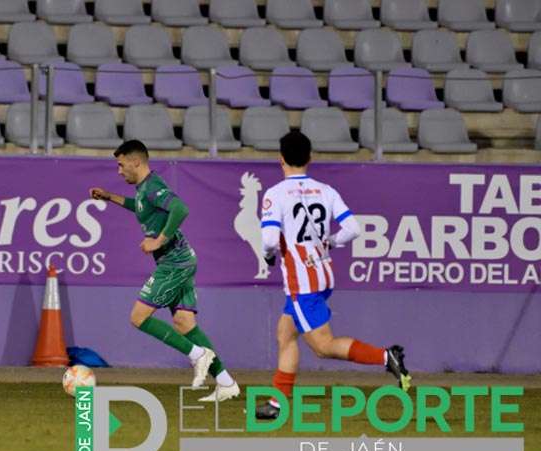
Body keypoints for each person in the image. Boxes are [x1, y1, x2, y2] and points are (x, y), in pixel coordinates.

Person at [255, 131, 410, 420]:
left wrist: (268, 255)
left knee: (323, 346)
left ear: (281, 160)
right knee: (285, 334)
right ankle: (278, 404)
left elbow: (268, 239)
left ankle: (386, 356)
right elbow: (353, 228)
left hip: (302, 282)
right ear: (309, 158)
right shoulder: (325, 190)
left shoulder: (275, 194)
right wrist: (332, 242)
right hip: (323, 274)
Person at [89, 140, 239, 402]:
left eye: (121, 165)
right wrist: (110, 197)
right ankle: (226, 383)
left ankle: (198, 355)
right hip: (183, 259)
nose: (119, 171)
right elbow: (141, 207)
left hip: (174, 262)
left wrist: (158, 241)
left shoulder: (153, 186)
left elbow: (181, 208)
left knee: (138, 317)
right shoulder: (144, 189)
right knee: (184, 323)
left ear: (136, 162)